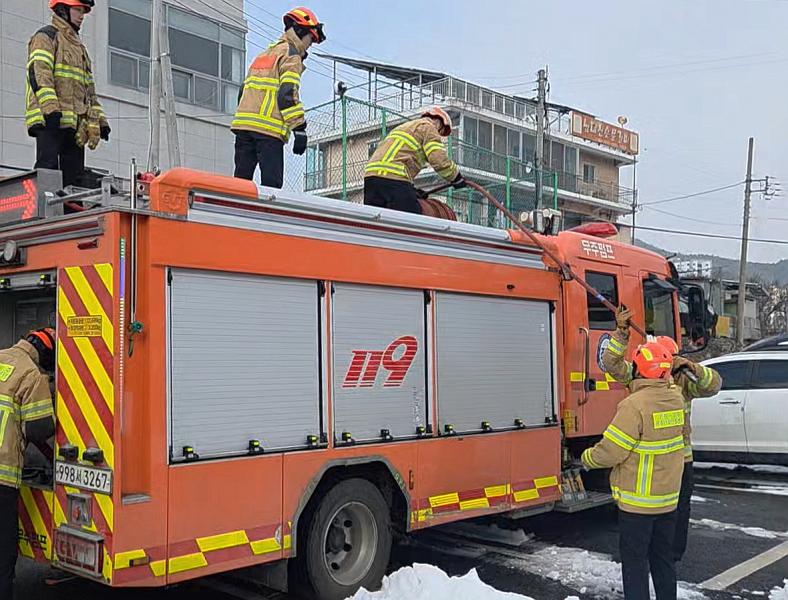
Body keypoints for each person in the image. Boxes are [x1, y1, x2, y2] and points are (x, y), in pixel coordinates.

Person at [604, 306, 721, 562]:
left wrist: (692, 367)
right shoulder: (640, 375)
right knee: (645, 515)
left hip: (679, 459)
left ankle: (670, 556)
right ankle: (649, 557)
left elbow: (714, 384)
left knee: (678, 510)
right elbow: (611, 364)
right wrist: (621, 333)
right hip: (649, 458)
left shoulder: (685, 380)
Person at [582, 341, 686, 600]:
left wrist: (587, 458)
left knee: (635, 564)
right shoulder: (676, 398)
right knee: (663, 561)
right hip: (668, 501)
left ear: (639, 369)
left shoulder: (634, 405)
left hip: (638, 504)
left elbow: (612, 451)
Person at [232, 7, 325, 188]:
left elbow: (243, 92)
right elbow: (287, 94)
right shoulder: (291, 56)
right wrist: (299, 128)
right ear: (300, 32)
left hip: (243, 127)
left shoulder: (263, 55)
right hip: (268, 131)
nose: (309, 45)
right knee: (272, 189)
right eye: (310, 40)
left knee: (240, 186)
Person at [26, 0, 110, 189]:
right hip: (49, 120)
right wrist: (50, 110)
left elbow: (89, 91)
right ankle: (46, 213)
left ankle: (71, 212)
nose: (82, 16)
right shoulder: (46, 37)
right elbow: (39, 73)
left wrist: (101, 121)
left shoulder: (80, 49)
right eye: (78, 10)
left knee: (74, 179)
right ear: (63, 10)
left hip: (75, 124)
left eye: (83, 12)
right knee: (48, 170)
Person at [0, 329, 56, 600]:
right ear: (44, 355)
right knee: (3, 550)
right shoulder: (32, 376)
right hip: (2, 479)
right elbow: (39, 429)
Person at [364, 107, 467, 214]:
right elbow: (438, 160)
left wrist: (411, 190)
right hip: (394, 177)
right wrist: (456, 177)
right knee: (412, 220)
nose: (439, 133)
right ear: (439, 122)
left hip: (371, 179)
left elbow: (398, 157)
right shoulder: (429, 128)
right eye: (441, 130)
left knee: (375, 221)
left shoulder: (404, 127)